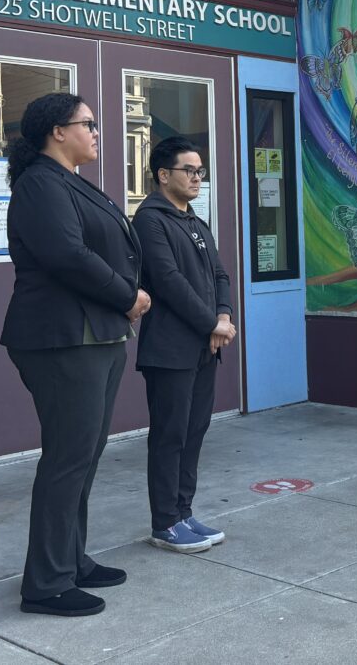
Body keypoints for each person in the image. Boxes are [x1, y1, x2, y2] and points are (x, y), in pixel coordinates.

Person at [1, 92, 150, 617]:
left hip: (97, 336)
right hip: (63, 338)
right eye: (87, 123)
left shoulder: (69, 182)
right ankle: (46, 583)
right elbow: (67, 255)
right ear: (57, 131)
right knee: (68, 458)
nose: (96, 131)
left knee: (83, 456)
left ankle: (69, 558)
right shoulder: (40, 183)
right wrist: (127, 296)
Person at [133, 136, 236, 553]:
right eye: (189, 170)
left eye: (200, 171)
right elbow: (168, 281)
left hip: (205, 346)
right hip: (169, 349)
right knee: (170, 434)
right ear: (163, 175)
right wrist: (212, 323)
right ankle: (165, 522)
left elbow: (220, 275)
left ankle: (184, 512)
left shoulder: (194, 221)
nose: (197, 178)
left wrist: (223, 317)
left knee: (194, 431)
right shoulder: (150, 221)